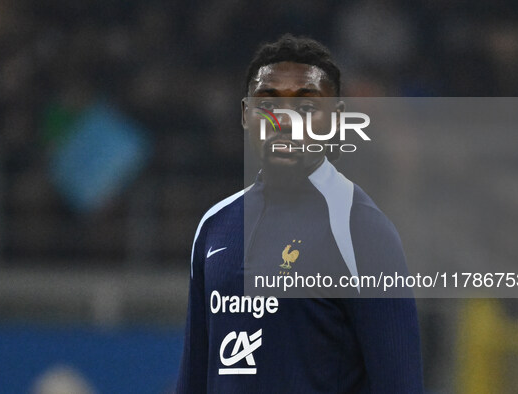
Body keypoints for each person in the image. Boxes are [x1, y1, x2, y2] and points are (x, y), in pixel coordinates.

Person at [177, 34, 423, 393]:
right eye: (268, 104)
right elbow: (194, 378)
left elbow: (400, 385)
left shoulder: (362, 230)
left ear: (336, 119)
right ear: (246, 115)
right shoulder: (214, 226)